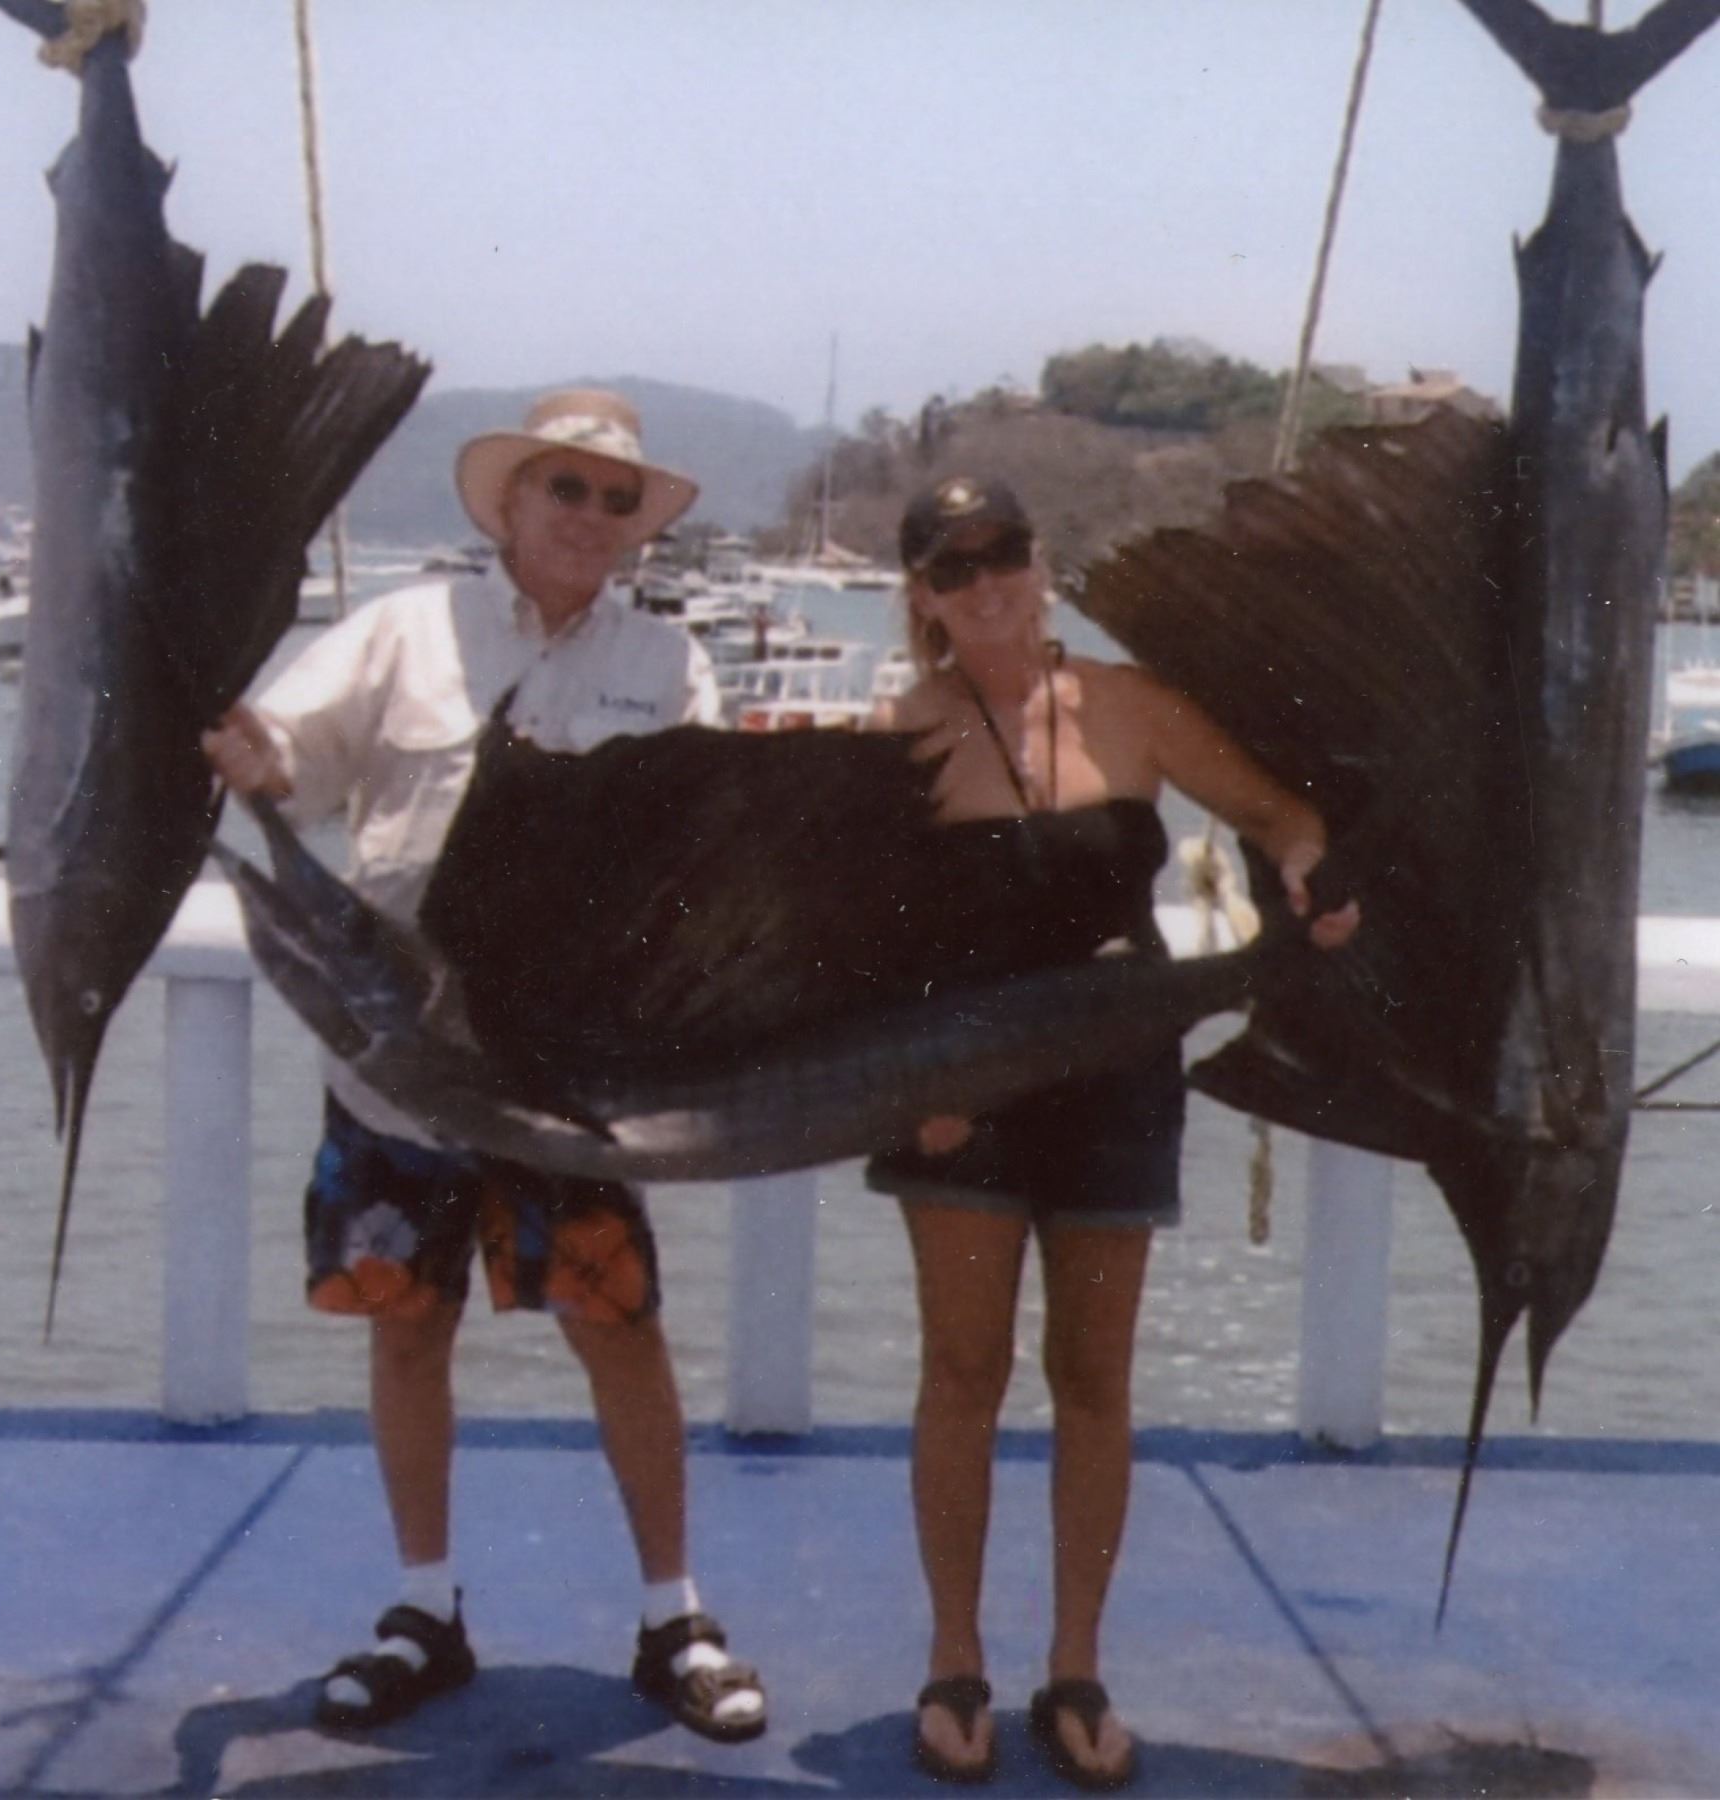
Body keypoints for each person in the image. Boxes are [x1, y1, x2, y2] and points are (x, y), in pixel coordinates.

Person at [201, 389, 768, 1743]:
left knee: (618, 1328)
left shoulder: (670, 663)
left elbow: (706, 864)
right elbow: (285, 768)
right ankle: (424, 1610)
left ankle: (673, 1617)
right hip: (398, 1067)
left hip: (566, 1077)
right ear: (509, 501)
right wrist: (227, 735)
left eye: (614, 498)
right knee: (408, 1327)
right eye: (563, 486)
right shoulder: (404, 629)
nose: (588, 513)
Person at [867, 475, 1359, 1788]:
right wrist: (915, 1089)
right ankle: (955, 1662)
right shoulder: (894, 733)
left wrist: (1307, 871)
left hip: (1117, 1077)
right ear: (921, 596)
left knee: (1093, 1379)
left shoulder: (1131, 707)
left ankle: (1076, 1669)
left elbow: (1283, 816)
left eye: (1004, 554)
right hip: (959, 1089)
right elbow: (858, 938)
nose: (986, 584)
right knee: (961, 1372)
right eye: (953, 567)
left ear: (1042, 562)